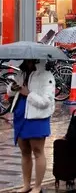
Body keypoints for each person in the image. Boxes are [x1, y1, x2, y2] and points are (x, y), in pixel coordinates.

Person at [8, 60, 55, 193]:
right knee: (24, 151)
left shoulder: (46, 76)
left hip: (37, 117)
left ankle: (37, 186)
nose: (27, 60)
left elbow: (46, 102)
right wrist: (13, 88)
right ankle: (26, 184)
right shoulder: (21, 73)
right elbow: (10, 93)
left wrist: (28, 94)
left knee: (38, 151)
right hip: (20, 115)